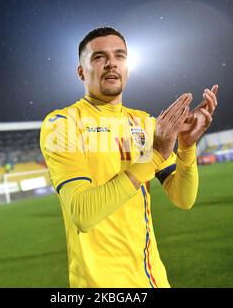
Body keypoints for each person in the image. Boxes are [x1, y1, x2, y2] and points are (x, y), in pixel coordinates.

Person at [39, 27, 218, 287]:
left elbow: (183, 198)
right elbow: (83, 214)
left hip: (153, 279)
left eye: (119, 56)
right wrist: (155, 155)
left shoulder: (144, 123)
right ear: (81, 71)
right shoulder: (63, 124)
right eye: (99, 57)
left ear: (127, 67)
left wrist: (187, 146)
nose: (111, 62)